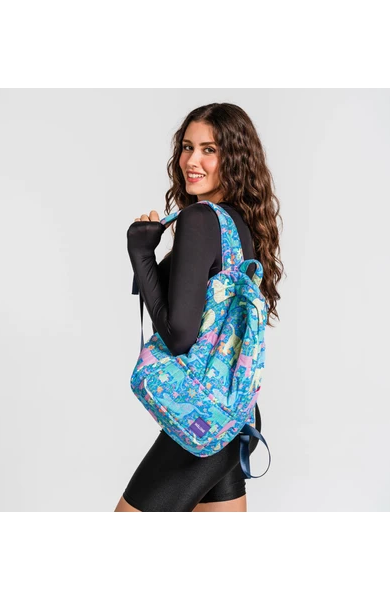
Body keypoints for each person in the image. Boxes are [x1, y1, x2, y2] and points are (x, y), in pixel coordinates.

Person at [114, 102, 284, 512]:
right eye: (187, 147)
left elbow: (179, 337)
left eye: (209, 150)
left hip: (204, 417)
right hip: (235, 412)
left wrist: (141, 254)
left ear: (235, 158)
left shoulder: (199, 219)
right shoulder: (240, 222)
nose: (192, 161)